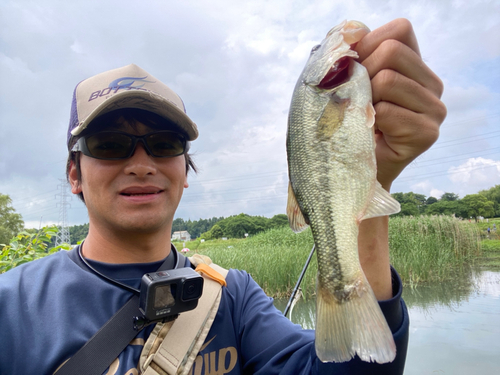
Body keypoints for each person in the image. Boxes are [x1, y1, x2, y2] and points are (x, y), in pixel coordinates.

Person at [0, 18, 445, 375]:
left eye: (165, 143)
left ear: (185, 171)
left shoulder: (234, 298)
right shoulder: (12, 303)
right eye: (110, 145)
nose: (140, 162)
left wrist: (373, 180)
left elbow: (352, 370)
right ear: (74, 174)